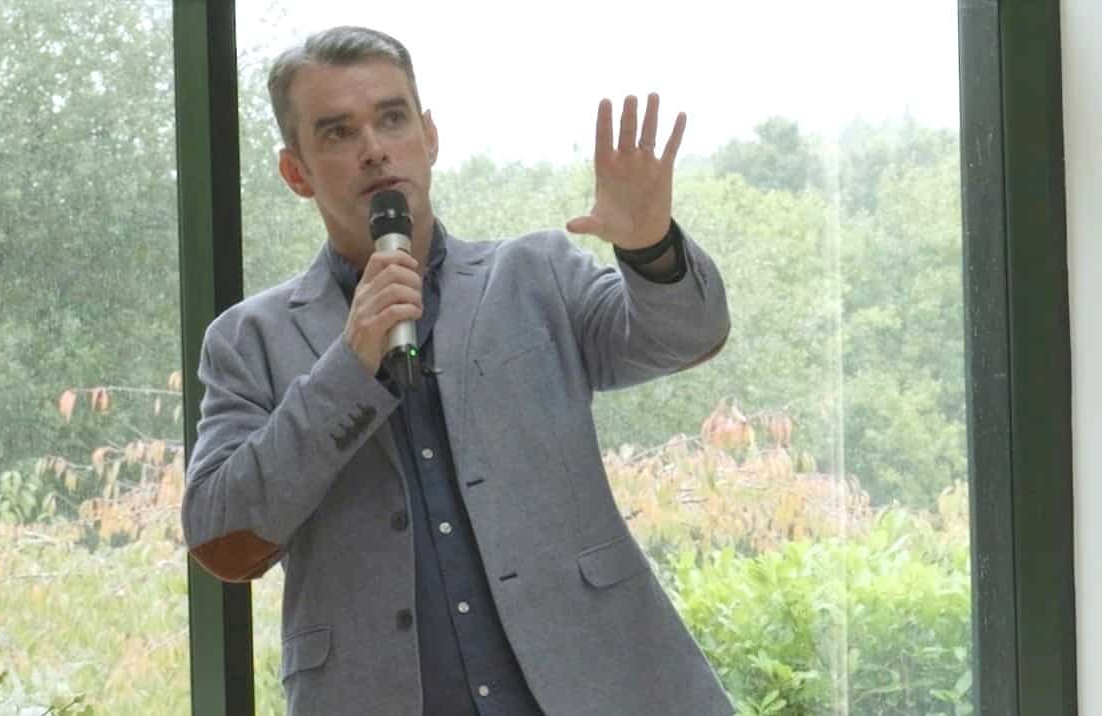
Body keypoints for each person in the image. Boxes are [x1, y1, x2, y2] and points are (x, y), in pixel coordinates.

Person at [180, 25, 734, 716]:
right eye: (338, 132)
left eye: (392, 118)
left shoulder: (536, 275)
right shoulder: (248, 340)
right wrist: (348, 369)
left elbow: (688, 335)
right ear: (297, 172)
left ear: (430, 136)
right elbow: (222, 541)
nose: (374, 148)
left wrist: (650, 247)